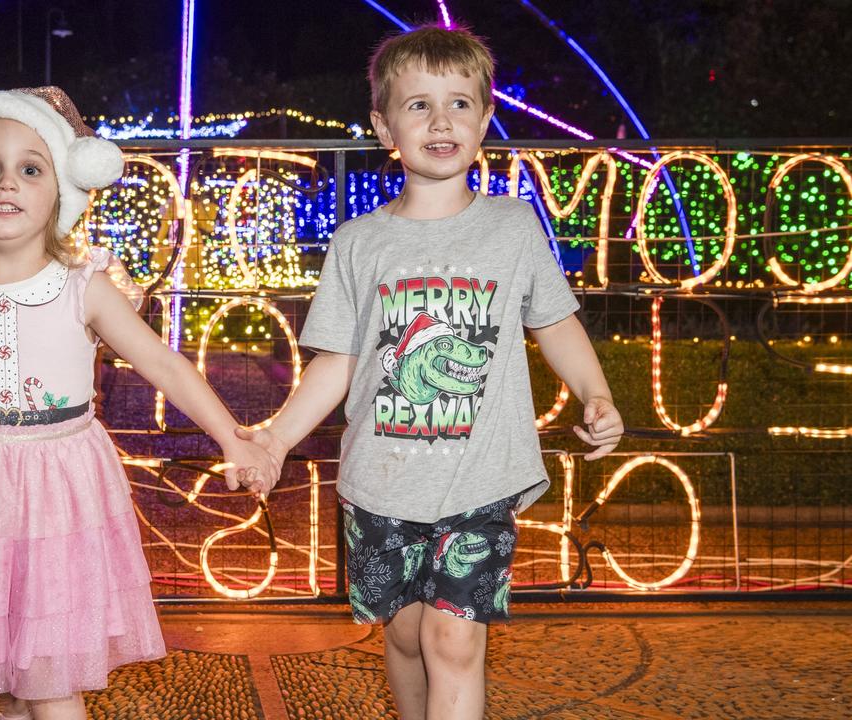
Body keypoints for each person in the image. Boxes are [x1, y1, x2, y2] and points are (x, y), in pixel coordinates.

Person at [236, 24, 625, 720]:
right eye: (417, 105)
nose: (440, 121)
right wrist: (274, 439)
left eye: (459, 104)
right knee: (410, 633)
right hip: (379, 484)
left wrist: (594, 393)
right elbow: (337, 361)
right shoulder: (358, 243)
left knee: (452, 640)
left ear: (483, 119)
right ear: (383, 125)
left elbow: (555, 321)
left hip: (480, 478)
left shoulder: (512, 227)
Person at [0, 86, 277, 720]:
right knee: (4, 667)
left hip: (58, 487)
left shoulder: (82, 287)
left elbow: (164, 363)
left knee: (47, 672)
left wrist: (234, 437)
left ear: (62, 191)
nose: (8, 182)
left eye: (31, 168)